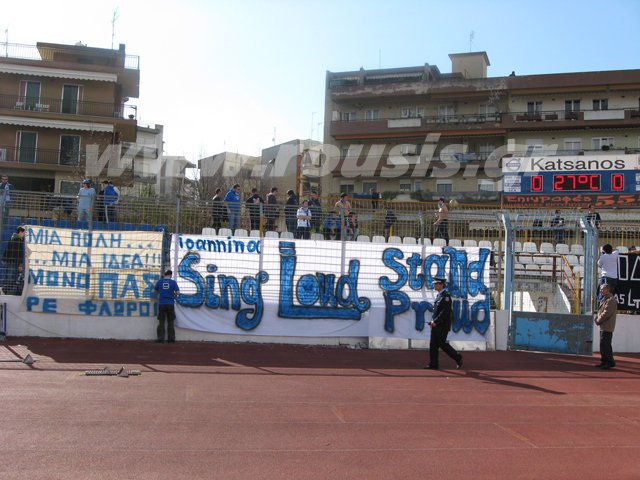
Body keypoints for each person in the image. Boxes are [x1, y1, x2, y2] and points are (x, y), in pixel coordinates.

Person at [425, 277, 463, 370]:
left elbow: (445, 312)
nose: (434, 285)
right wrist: (433, 321)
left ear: (441, 284)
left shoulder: (446, 297)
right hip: (436, 324)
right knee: (433, 344)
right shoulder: (439, 296)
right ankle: (433, 364)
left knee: (442, 344)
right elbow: (437, 311)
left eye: (436, 284)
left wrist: (436, 321)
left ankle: (457, 357)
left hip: (442, 325)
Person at [153, 269, 180, 343]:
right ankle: (171, 339)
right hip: (170, 303)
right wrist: (173, 295)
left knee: (161, 322)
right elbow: (178, 292)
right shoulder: (173, 282)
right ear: (170, 275)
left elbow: (154, 291)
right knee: (170, 322)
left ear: (165, 275)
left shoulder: (159, 281)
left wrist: (160, 293)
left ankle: (160, 338)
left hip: (162, 303)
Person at [594, 283, 617, 369]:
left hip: (607, 326)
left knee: (605, 345)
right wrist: (597, 319)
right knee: (604, 345)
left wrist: (598, 320)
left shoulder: (611, 300)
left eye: (602, 289)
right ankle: (605, 361)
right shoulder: (605, 299)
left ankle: (608, 362)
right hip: (603, 326)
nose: (601, 291)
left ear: (608, 290)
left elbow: (606, 313)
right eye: (601, 289)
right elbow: (601, 312)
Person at [2, 226, 25, 295]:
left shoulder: (14, 238)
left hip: (10, 261)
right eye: (24, 232)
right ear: (20, 232)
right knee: (11, 278)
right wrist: (20, 264)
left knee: (10, 277)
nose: (25, 234)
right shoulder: (17, 240)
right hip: (12, 261)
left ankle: (4, 290)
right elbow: (17, 253)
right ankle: (4, 290)